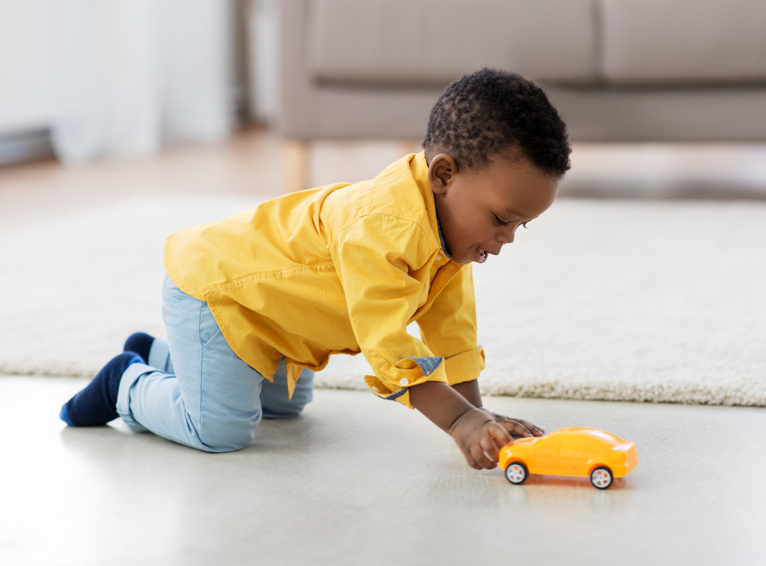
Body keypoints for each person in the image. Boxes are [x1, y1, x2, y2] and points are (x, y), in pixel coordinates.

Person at [60, 68, 572, 471]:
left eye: (519, 226)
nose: (505, 239)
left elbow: (451, 333)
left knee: (285, 407)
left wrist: (483, 418)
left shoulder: (449, 235)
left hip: (278, 324)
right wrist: (460, 422)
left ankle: (161, 353)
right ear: (444, 174)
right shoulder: (382, 227)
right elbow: (387, 344)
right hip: (217, 294)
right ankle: (125, 382)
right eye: (502, 219)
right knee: (221, 431)